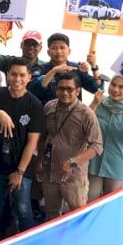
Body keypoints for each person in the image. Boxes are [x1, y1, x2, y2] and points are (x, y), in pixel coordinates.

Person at [0, 57, 44, 240]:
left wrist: (20, 171)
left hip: (21, 167)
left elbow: (33, 142)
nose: (17, 79)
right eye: (13, 74)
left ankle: (30, 241)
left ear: (29, 77)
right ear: (7, 75)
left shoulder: (35, 105)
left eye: (22, 75)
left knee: (23, 208)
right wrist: (0, 113)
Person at [35, 72, 103, 220]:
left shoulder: (86, 114)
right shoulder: (49, 107)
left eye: (69, 89)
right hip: (50, 172)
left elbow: (97, 146)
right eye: (61, 88)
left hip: (73, 177)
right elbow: (43, 137)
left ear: (78, 91)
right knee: (52, 216)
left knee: (78, 216)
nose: (65, 93)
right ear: (55, 89)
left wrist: (73, 162)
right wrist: (39, 161)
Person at [87, 75, 123, 200]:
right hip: (93, 162)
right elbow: (83, 123)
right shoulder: (100, 102)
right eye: (113, 85)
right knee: (89, 201)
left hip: (116, 167)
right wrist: (94, 103)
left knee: (111, 204)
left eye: (121, 87)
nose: (115, 90)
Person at [30, 33, 101, 104]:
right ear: (48, 52)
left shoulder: (76, 68)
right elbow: (32, 90)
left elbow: (96, 88)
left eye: (62, 47)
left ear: (69, 51)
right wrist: (53, 71)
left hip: (73, 113)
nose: (58, 51)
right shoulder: (40, 69)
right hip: (47, 113)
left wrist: (94, 67)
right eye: (54, 48)